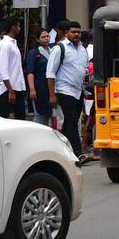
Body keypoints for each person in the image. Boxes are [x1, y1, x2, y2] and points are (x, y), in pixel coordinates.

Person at [47, 20, 91, 161]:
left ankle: (63, 150)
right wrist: (52, 94)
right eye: (73, 32)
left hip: (78, 91)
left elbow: (83, 69)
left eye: (78, 32)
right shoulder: (59, 48)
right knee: (71, 120)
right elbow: (50, 73)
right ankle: (78, 153)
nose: (76, 34)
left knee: (70, 122)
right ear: (66, 33)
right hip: (64, 90)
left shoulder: (82, 49)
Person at [0, 18, 26, 119]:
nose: (19, 28)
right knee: (3, 118)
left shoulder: (12, 43)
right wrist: (11, 91)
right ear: (13, 27)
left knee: (20, 119)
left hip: (17, 87)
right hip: (9, 89)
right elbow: (3, 70)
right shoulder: (5, 44)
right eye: (18, 26)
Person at [25, 29, 53, 126]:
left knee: (48, 114)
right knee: (40, 115)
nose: (46, 39)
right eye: (43, 37)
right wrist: (32, 89)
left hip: (50, 88)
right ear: (38, 39)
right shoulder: (33, 53)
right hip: (39, 88)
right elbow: (30, 72)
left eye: (47, 36)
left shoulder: (52, 51)